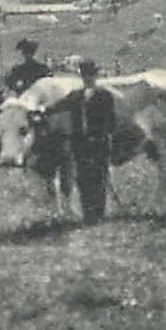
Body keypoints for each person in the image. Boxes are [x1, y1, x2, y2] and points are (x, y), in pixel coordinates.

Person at [56, 58, 118, 224]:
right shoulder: (76, 96)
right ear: (81, 77)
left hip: (99, 142)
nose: (88, 79)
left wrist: (102, 136)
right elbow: (59, 106)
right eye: (85, 75)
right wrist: (41, 109)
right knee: (83, 178)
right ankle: (88, 214)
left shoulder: (104, 96)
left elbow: (111, 121)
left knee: (99, 177)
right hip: (80, 143)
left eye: (91, 75)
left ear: (96, 76)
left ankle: (99, 213)